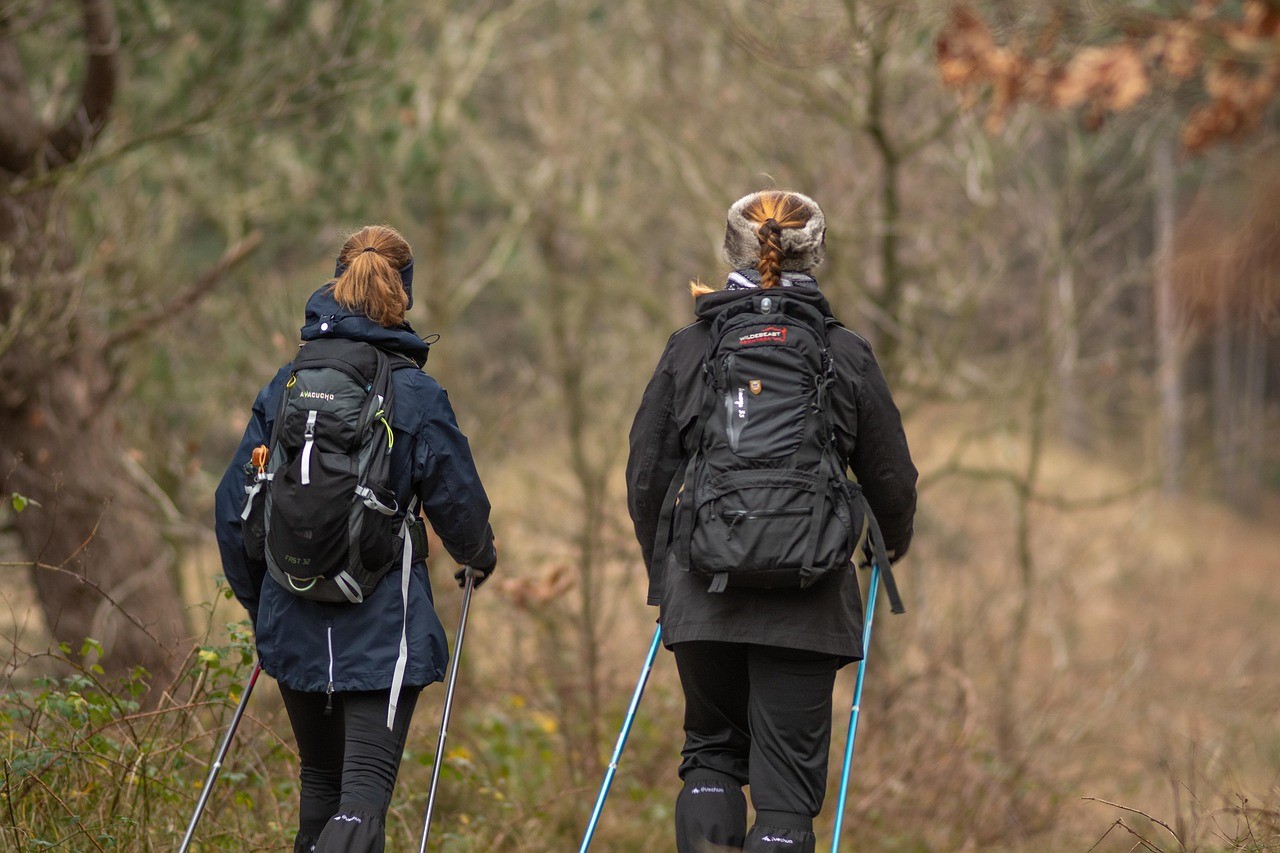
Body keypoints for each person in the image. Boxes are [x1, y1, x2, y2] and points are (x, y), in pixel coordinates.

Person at [626, 191, 917, 853]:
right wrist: (886, 548)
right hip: (808, 600)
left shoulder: (691, 347)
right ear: (816, 254)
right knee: (786, 797)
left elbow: (646, 475)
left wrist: (664, 571)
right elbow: (892, 478)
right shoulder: (845, 351)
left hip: (704, 590)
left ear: (731, 250)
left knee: (711, 754)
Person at [213, 225, 498, 853]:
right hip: (381, 626)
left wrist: (263, 599)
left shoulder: (284, 386)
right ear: (405, 294)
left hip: (292, 610)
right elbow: (460, 504)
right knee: (362, 801)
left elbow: (234, 507)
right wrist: (479, 559)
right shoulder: (415, 394)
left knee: (319, 788)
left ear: (335, 284)